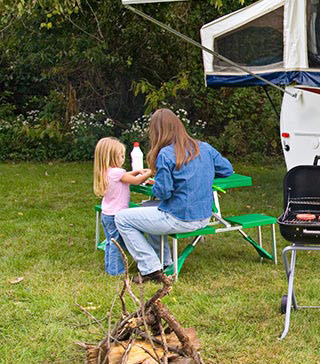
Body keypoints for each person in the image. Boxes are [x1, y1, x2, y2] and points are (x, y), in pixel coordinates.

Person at [115, 109, 233, 283]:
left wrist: (156, 182)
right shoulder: (205, 147)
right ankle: (164, 263)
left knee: (122, 218)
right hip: (204, 216)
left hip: (179, 217)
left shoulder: (166, 154)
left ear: (158, 132)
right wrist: (200, 173)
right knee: (147, 209)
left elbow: (163, 193)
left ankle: (150, 268)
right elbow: (227, 169)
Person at [92, 137, 153, 275]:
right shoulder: (117, 173)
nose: (123, 159)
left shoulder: (106, 171)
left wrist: (136, 171)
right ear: (111, 157)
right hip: (116, 215)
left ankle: (109, 267)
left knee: (110, 242)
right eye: (120, 156)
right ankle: (116, 271)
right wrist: (149, 172)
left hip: (106, 214)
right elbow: (136, 181)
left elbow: (126, 176)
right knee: (117, 244)